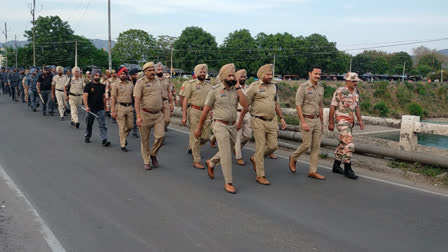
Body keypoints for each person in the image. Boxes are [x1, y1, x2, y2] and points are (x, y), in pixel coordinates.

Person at [194, 63, 248, 194]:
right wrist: (199, 129)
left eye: (233, 75)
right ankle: (228, 182)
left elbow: (246, 104)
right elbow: (205, 112)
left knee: (228, 151)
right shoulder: (215, 91)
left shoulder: (236, 90)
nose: (231, 77)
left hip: (232, 126)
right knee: (226, 155)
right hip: (219, 125)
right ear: (223, 77)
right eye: (229, 75)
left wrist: (238, 88)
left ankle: (211, 163)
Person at [245, 64, 287, 185]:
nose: (270, 76)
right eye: (268, 74)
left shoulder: (274, 86)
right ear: (261, 75)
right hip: (258, 120)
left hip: (272, 120)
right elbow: (245, 104)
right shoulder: (253, 87)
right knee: (260, 146)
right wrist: (240, 119)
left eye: (271, 74)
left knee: (273, 146)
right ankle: (260, 175)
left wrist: (282, 118)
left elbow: (276, 104)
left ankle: (255, 158)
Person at [288, 66, 326, 180]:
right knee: (306, 145)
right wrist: (303, 122)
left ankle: (313, 171)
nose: (318, 76)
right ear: (310, 74)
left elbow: (320, 105)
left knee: (316, 147)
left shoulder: (321, 88)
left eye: (319, 74)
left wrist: (321, 121)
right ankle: (293, 157)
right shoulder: (303, 87)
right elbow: (298, 105)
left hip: (316, 120)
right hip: (306, 119)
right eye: (316, 74)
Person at [328, 72, 365, 180]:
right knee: (349, 144)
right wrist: (331, 122)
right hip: (341, 120)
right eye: (353, 81)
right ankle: (348, 168)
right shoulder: (340, 91)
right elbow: (332, 107)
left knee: (343, 144)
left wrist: (360, 120)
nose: (355, 83)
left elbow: (357, 107)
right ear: (347, 81)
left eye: (356, 81)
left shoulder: (356, 92)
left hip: (350, 122)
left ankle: (336, 165)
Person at [133, 62, 165, 170]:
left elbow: (161, 97)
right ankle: (146, 160)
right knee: (145, 140)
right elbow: (137, 100)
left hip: (158, 115)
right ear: (145, 72)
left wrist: (164, 111)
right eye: (150, 70)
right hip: (145, 114)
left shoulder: (158, 81)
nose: (152, 72)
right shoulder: (140, 83)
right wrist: (138, 116)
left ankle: (153, 154)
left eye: (153, 70)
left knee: (160, 136)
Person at [182, 64, 212, 169]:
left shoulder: (209, 85)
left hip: (206, 112)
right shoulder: (190, 84)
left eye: (204, 72)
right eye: (201, 72)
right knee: (196, 135)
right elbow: (185, 100)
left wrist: (212, 111)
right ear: (196, 73)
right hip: (194, 111)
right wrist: (184, 115)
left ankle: (193, 147)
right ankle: (197, 160)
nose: (203, 74)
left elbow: (212, 101)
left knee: (206, 136)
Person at [82, 69, 110, 146]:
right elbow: (85, 96)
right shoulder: (88, 86)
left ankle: (104, 139)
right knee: (89, 124)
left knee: (102, 124)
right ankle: (87, 136)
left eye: (99, 75)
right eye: (96, 75)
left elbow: (104, 97)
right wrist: (86, 106)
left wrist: (105, 107)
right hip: (91, 109)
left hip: (100, 108)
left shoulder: (102, 86)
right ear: (93, 76)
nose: (97, 77)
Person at [111, 67, 134, 152]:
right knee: (122, 127)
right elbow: (113, 98)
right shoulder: (115, 85)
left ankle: (123, 137)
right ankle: (123, 145)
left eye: (124, 74)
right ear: (118, 75)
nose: (123, 75)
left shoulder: (131, 84)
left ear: (126, 74)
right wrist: (113, 110)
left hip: (129, 107)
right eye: (121, 74)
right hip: (120, 107)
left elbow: (135, 96)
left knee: (130, 126)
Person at [234, 69, 252, 166]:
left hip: (247, 114)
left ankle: (235, 148)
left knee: (248, 135)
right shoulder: (234, 88)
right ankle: (238, 157)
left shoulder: (249, 88)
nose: (244, 78)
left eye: (245, 76)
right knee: (238, 136)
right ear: (237, 78)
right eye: (241, 77)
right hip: (237, 113)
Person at [155, 63, 174, 131]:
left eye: (161, 70)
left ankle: (163, 128)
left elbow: (169, 92)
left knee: (167, 120)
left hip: (165, 102)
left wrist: (171, 103)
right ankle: (160, 135)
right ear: (155, 71)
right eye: (158, 70)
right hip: (156, 102)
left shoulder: (166, 79)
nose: (160, 71)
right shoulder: (153, 80)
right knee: (158, 120)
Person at [129, 68, 141, 138]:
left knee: (135, 116)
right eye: (135, 74)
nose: (136, 75)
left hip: (134, 101)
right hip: (127, 102)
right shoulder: (126, 81)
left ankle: (134, 131)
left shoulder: (137, 81)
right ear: (132, 74)